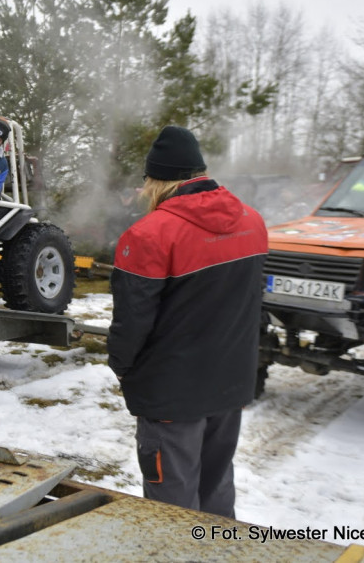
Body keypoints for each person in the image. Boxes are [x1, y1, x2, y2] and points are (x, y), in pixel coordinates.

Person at [106, 125, 268, 519]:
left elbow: (132, 323)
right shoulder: (253, 222)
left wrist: (122, 368)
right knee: (216, 485)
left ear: (157, 179)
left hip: (172, 393)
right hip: (230, 381)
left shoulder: (148, 235)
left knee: (173, 506)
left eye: (147, 182)